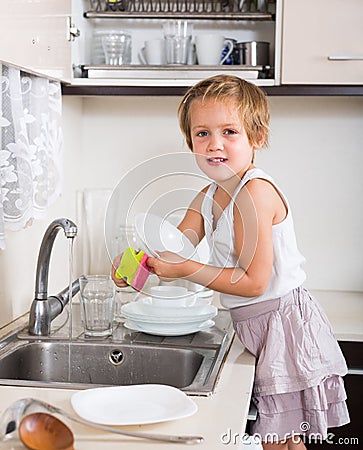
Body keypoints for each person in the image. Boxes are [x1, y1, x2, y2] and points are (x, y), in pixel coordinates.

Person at [112, 75, 349, 449]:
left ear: (256, 138)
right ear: (190, 141)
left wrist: (185, 269)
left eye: (229, 132)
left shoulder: (254, 192)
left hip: (283, 325)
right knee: (282, 439)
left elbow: (254, 282)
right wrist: (135, 265)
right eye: (202, 133)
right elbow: (177, 250)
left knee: (279, 440)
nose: (214, 144)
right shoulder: (207, 195)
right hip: (256, 324)